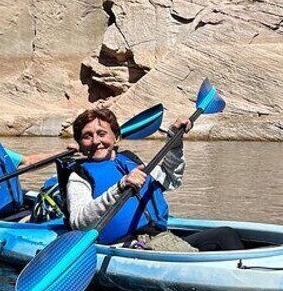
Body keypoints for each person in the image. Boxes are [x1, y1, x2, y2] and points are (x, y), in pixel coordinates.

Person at [64, 107, 244, 252]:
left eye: (101, 133)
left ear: (116, 138)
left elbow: (170, 179)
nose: (96, 141)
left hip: (160, 237)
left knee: (225, 235)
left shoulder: (130, 161)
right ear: (80, 144)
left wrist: (174, 141)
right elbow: (79, 222)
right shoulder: (79, 176)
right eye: (87, 136)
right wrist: (120, 186)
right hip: (126, 245)